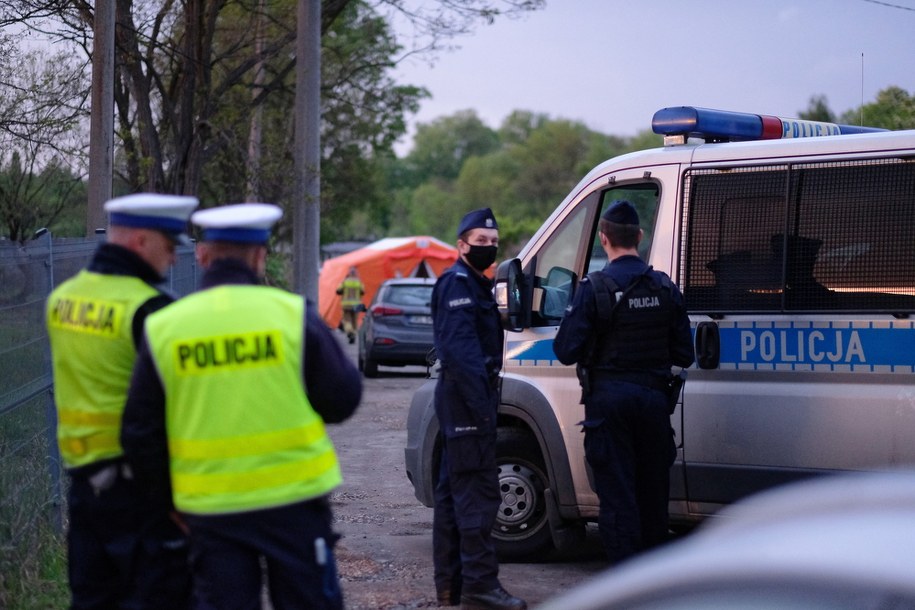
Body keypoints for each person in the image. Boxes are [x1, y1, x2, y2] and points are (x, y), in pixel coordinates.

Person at [121, 202, 362, 610]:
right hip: (294, 504)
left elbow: (138, 432)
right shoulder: (290, 315)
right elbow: (343, 399)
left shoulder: (165, 328)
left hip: (210, 511)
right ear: (260, 256)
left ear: (201, 255)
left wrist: (168, 501)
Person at [45, 192, 198, 609]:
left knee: (93, 599)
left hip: (84, 490)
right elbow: (168, 414)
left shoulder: (63, 299)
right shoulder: (151, 310)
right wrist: (177, 502)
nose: (172, 259)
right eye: (169, 247)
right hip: (142, 495)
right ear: (141, 242)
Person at [553, 200, 695, 564]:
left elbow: (566, 350)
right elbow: (684, 354)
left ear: (604, 239)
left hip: (609, 405)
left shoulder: (594, 287)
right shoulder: (664, 287)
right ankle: (651, 583)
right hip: (652, 402)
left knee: (617, 499)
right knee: (652, 497)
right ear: (640, 237)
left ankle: (624, 583)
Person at [431, 207, 526, 610]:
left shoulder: (475, 283)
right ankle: (480, 586)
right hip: (468, 404)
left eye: (492, 242)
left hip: (465, 403)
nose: (487, 248)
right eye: (479, 242)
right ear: (461, 245)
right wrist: (484, 412)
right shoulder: (458, 285)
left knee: (453, 498)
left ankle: (451, 586)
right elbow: (463, 356)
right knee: (477, 498)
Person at [336, 265, 365, 343]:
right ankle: (354, 336)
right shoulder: (359, 282)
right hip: (356, 305)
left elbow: (338, 291)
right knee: (355, 321)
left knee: (346, 320)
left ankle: (350, 332)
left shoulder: (345, 282)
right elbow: (362, 292)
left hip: (346, 305)